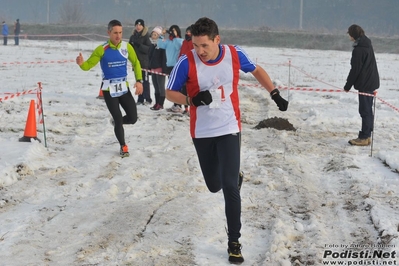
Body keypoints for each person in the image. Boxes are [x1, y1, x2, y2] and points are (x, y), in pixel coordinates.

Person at [165, 17, 288, 264]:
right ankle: (232, 176)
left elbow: (256, 70)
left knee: (230, 187)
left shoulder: (233, 53)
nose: (199, 51)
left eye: (204, 46)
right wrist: (191, 101)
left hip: (230, 127)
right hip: (202, 132)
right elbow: (169, 93)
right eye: (195, 46)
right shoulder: (185, 62)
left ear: (217, 40)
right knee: (214, 185)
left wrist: (274, 93)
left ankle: (234, 242)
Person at [76, 19, 143, 157]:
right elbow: (88, 65)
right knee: (118, 118)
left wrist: (139, 81)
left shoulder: (126, 47)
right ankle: (123, 146)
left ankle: (116, 122)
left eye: (120, 32)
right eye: (115, 33)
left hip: (124, 89)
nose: (118, 36)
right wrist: (82, 64)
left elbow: (136, 63)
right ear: (109, 33)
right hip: (109, 90)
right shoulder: (102, 49)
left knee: (133, 118)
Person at [344, 24, 379, 146]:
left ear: (353, 35)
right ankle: (367, 135)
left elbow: (355, 69)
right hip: (371, 81)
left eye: (349, 33)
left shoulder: (359, 49)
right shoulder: (367, 44)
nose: (348, 36)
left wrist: (347, 86)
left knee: (364, 110)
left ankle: (364, 137)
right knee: (368, 110)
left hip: (365, 83)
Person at [157, 25, 183, 113]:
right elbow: (160, 44)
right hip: (169, 66)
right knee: (172, 86)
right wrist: (161, 35)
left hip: (177, 65)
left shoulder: (180, 41)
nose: (172, 32)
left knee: (177, 86)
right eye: (171, 30)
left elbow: (178, 47)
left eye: (174, 30)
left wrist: (175, 37)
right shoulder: (168, 42)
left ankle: (178, 104)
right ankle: (175, 104)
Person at [129, 19, 152, 106]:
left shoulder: (146, 36)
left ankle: (148, 99)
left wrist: (139, 45)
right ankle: (140, 99)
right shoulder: (133, 36)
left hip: (144, 63)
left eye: (140, 25)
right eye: (137, 25)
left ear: (143, 26)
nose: (138, 27)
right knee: (138, 81)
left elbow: (149, 49)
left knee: (145, 82)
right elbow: (129, 48)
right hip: (136, 63)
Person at [148, 26, 167, 111]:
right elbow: (150, 56)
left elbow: (164, 58)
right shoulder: (152, 45)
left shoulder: (162, 45)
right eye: (152, 34)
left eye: (155, 34)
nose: (153, 36)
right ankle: (156, 103)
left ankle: (161, 104)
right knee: (155, 87)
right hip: (153, 69)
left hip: (160, 69)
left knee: (161, 87)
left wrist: (164, 69)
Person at [178, 26, 194, 115]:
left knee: (191, 89)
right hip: (183, 68)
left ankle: (193, 108)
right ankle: (186, 108)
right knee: (184, 89)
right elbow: (181, 53)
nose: (187, 33)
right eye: (186, 32)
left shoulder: (194, 42)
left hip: (191, 68)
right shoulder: (184, 42)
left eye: (189, 32)